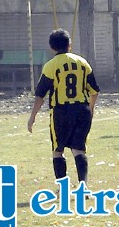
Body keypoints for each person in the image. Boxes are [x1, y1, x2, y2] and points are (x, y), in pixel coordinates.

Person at [28, 28, 99, 188]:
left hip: (61, 112)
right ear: (69, 45)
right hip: (82, 110)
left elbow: (40, 94)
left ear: (52, 47)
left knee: (58, 150)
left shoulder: (50, 66)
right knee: (79, 149)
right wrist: (91, 109)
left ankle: (63, 187)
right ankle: (83, 186)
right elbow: (95, 91)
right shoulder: (83, 63)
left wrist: (33, 116)